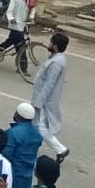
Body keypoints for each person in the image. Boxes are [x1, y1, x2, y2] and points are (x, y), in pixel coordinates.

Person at [31, 33, 69, 162]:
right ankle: (33, 146)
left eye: (51, 42)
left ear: (56, 46)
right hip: (41, 98)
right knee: (35, 124)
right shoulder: (55, 58)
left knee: (40, 126)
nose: (49, 44)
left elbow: (49, 84)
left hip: (44, 100)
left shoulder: (56, 62)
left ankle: (60, 149)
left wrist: (39, 102)